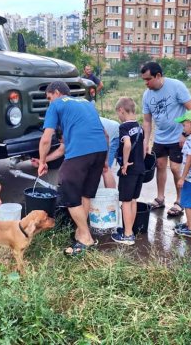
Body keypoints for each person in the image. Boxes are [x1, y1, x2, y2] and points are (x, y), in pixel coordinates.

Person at [38, 81, 107, 256]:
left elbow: (46, 139)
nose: (49, 102)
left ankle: (86, 238)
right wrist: (104, 159)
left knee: (68, 191)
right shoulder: (86, 103)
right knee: (85, 193)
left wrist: (41, 162)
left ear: (56, 93)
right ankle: (81, 231)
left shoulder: (56, 105)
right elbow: (104, 133)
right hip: (100, 150)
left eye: (49, 98)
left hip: (81, 153)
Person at [141, 61, 191, 217]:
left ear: (158, 76)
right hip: (160, 137)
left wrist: (185, 134)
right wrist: (146, 142)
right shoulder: (147, 95)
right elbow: (147, 121)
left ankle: (180, 201)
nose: (146, 83)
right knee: (160, 165)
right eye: (144, 80)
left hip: (178, 137)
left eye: (148, 79)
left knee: (175, 168)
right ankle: (160, 198)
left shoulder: (176, 86)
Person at [111, 97, 145, 245]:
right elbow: (143, 147)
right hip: (140, 168)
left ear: (121, 110)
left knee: (125, 201)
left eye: (118, 114)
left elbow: (127, 144)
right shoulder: (140, 127)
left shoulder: (124, 127)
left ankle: (127, 235)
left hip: (129, 170)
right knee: (133, 200)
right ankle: (130, 229)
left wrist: (124, 164)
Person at [99, 116, 120, 188]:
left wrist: (105, 159)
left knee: (106, 168)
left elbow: (106, 137)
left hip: (115, 135)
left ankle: (111, 195)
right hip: (110, 131)